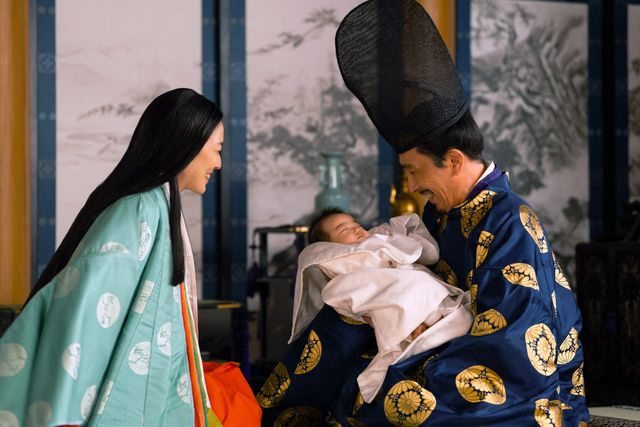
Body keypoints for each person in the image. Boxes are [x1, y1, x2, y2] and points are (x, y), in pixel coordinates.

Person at [258, 0, 589, 425]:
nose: (412, 187)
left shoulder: (509, 221)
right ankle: (277, 411)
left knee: (395, 403)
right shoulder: (440, 212)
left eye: (414, 171)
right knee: (346, 319)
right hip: (441, 341)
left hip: (516, 379)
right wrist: (409, 319)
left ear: (452, 160)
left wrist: (432, 348)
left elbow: (516, 340)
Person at [0, 88, 260, 426]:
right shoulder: (139, 209)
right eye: (217, 150)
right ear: (188, 144)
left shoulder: (157, 204)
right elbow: (87, 304)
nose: (219, 163)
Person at [287, 208, 472, 403]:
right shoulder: (343, 262)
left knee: (418, 285)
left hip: (408, 281)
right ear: (328, 247)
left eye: (357, 224)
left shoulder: (380, 240)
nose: (357, 229)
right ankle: (414, 329)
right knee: (386, 295)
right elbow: (351, 291)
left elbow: (424, 254)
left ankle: (428, 321)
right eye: (344, 229)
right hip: (383, 289)